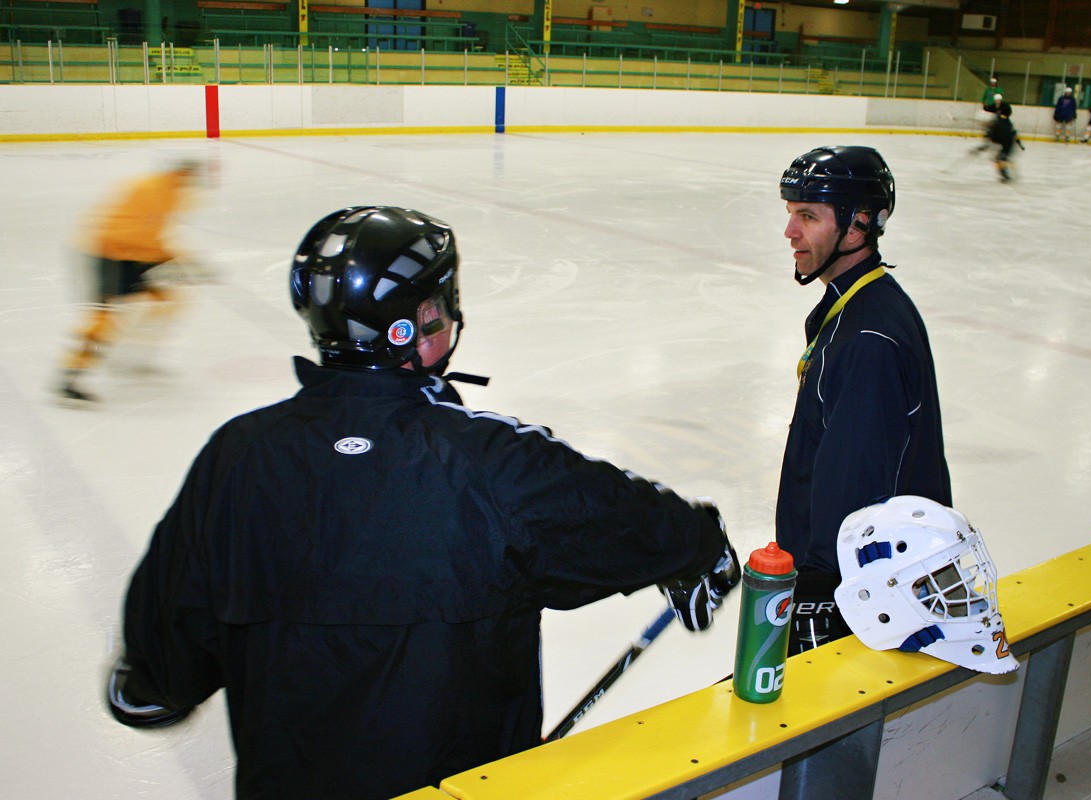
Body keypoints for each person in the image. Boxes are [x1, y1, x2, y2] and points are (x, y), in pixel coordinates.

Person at [105, 206, 740, 799]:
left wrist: (152, 682)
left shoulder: (236, 458)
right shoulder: (495, 461)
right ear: (418, 324)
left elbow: (155, 683)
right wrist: (699, 549)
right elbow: (635, 521)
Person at [775, 147, 952, 655]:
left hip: (858, 604)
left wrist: (814, 599)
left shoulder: (868, 339)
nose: (790, 232)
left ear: (857, 226)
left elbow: (855, 499)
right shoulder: (852, 307)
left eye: (807, 216)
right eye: (791, 214)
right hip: (851, 593)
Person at [58, 160, 200, 403]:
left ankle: (131, 356)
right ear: (181, 173)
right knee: (104, 318)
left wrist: (177, 260)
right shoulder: (155, 190)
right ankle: (71, 377)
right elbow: (140, 235)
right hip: (113, 255)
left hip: (133, 255)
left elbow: (154, 234)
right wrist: (176, 260)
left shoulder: (169, 190)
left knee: (166, 300)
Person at [985, 93, 1019, 182]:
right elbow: (988, 109)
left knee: (1002, 158)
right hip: (1007, 140)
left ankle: (1006, 174)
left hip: (1008, 141)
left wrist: (1001, 116)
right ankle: (1005, 174)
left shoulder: (1005, 107)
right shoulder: (994, 107)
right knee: (1000, 159)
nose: (997, 101)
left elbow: (1008, 114)